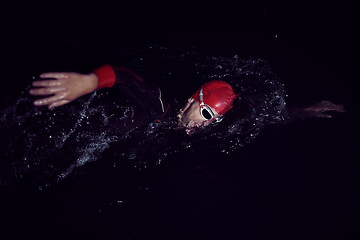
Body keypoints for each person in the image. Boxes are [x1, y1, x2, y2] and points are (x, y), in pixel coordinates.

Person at [29, 63, 345, 136]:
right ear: (193, 100)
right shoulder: (162, 105)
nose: (204, 122)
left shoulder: (206, 130)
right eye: (204, 112)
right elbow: (124, 75)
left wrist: (307, 110)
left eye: (213, 119)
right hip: (99, 127)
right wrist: (92, 81)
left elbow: (269, 115)